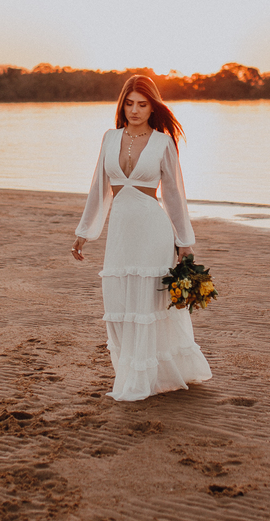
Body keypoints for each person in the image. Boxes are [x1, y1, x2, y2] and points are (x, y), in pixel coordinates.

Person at [71, 75, 213, 401]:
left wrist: (185, 242)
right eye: (129, 103)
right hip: (121, 234)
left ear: (153, 107)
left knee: (148, 305)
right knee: (121, 303)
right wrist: (84, 233)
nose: (135, 110)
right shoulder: (109, 138)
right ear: (122, 105)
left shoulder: (163, 143)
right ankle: (133, 372)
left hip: (153, 232)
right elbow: (98, 190)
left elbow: (175, 196)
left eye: (142, 104)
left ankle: (144, 378)